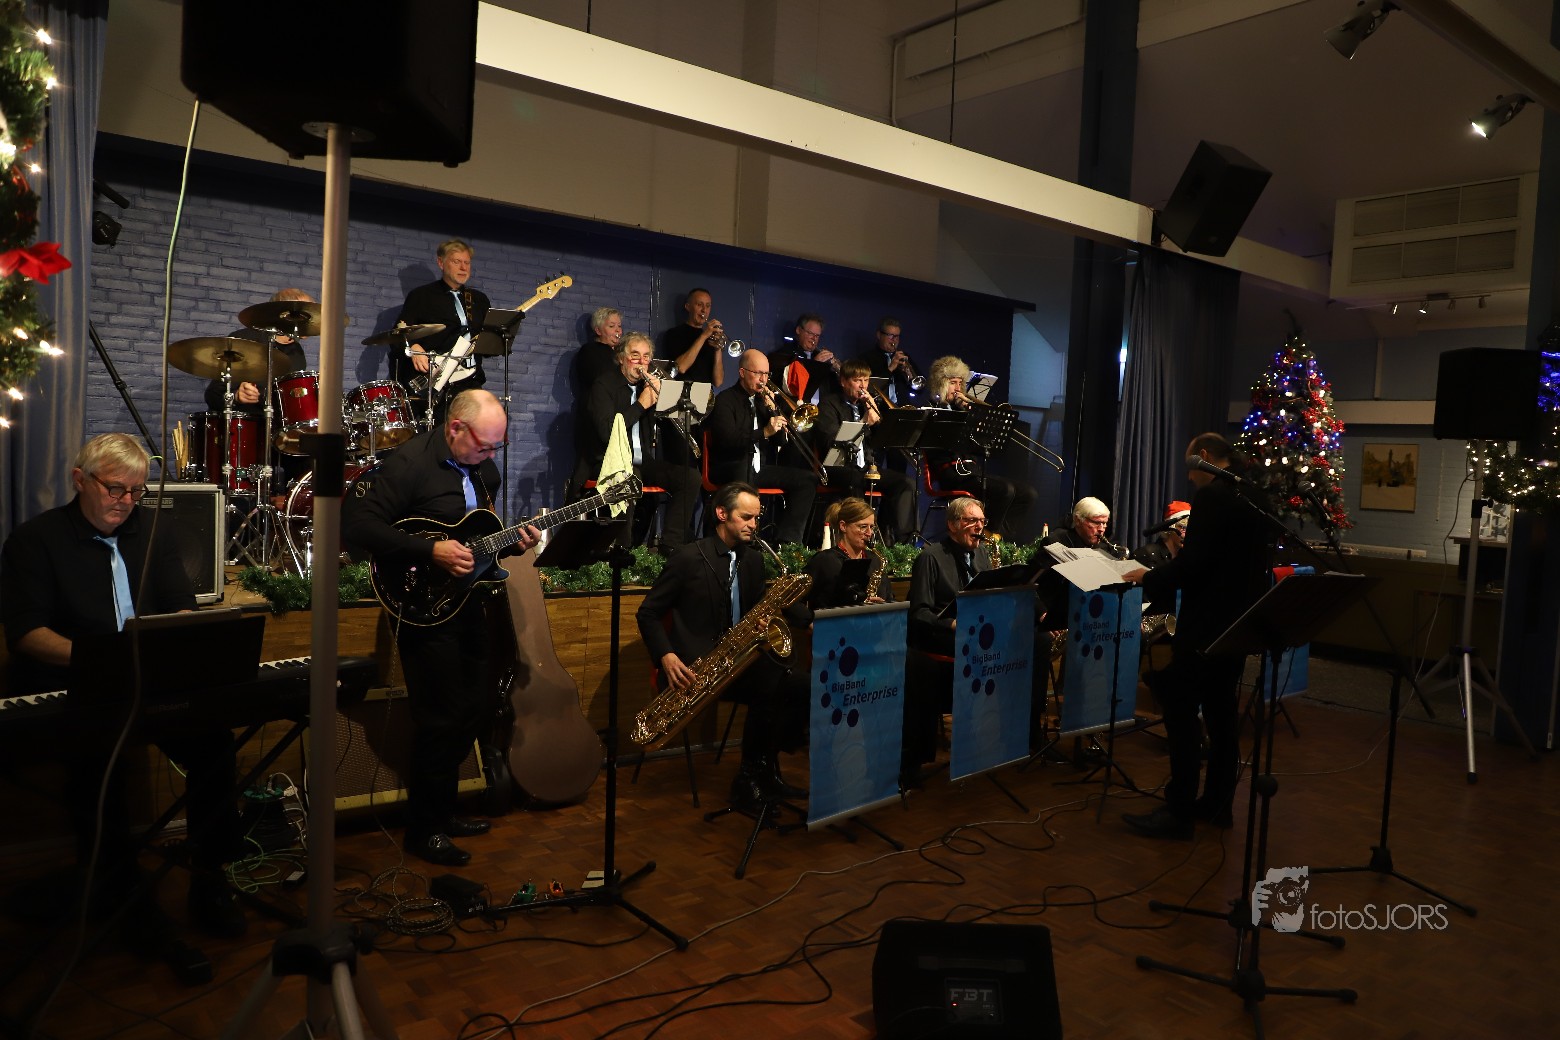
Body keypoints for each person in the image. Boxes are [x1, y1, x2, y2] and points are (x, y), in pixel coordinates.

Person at [0, 434, 247, 939]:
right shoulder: (35, 540)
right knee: (97, 764)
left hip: (148, 682)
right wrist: (99, 660)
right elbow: (26, 634)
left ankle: (210, 875)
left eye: (136, 491)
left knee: (215, 745)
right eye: (115, 488)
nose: (126, 501)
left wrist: (181, 634)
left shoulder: (154, 530)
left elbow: (181, 605)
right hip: (74, 685)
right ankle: (116, 886)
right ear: (79, 480)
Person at [343, 389, 540, 866]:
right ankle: (423, 830)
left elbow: (476, 540)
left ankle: (443, 810)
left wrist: (512, 544)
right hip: (419, 602)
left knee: (477, 706)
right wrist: (430, 550)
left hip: (466, 599)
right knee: (440, 716)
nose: (490, 455)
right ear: (455, 428)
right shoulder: (409, 464)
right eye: (485, 446)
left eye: (496, 446)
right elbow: (358, 526)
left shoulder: (483, 469)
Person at [1120, 433, 1271, 839]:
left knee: (1180, 709)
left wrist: (1149, 577)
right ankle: (1218, 805)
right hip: (1238, 626)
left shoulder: (1213, 496)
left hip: (1204, 625)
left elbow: (1194, 565)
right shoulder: (1255, 495)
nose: (1190, 478)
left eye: (1191, 469)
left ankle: (1179, 810)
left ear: (1204, 457)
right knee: (1222, 716)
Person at [635, 482, 802, 808]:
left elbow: (755, 609)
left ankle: (765, 772)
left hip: (737, 663)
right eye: (746, 517)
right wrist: (666, 656)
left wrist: (762, 623)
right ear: (722, 514)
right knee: (772, 688)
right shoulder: (687, 558)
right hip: (695, 670)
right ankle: (750, 779)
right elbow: (648, 613)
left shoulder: (753, 561)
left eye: (756, 518)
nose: (753, 525)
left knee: (796, 682)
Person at [582, 332, 700, 554]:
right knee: (629, 477)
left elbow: (672, 430)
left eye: (646, 357)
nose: (641, 362)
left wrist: (667, 401)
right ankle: (622, 551)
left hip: (642, 460)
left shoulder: (646, 388)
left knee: (690, 477)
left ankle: (670, 546)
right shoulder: (604, 385)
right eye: (635, 355)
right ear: (621, 358)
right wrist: (641, 405)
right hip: (608, 462)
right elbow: (607, 432)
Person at [903, 496, 991, 783]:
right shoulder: (930, 557)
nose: (979, 527)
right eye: (971, 521)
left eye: (981, 521)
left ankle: (990, 740)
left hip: (973, 634)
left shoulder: (982, 554)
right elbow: (919, 612)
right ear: (952, 525)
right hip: (938, 636)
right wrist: (953, 624)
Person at [200, 287, 315, 491]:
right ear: (285, 314)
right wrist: (236, 396)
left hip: (279, 432)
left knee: (315, 458)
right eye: (305, 314)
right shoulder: (243, 340)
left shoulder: (296, 352)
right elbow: (212, 395)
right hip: (247, 433)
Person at [705, 348, 818, 546]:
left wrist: (773, 410)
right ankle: (742, 542)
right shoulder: (725, 400)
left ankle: (787, 543)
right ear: (742, 373)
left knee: (807, 480)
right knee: (743, 468)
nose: (763, 379)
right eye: (758, 373)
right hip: (729, 465)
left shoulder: (763, 402)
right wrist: (764, 432)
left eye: (766, 374)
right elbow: (728, 442)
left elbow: (780, 442)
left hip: (758, 468)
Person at [922, 355, 1039, 541]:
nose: (958, 388)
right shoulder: (932, 410)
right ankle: (985, 537)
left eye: (960, 383)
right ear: (941, 384)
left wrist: (977, 420)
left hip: (971, 471)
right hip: (950, 473)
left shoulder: (963, 410)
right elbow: (937, 448)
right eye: (953, 383)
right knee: (1005, 490)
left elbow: (979, 446)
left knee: (1028, 494)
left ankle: (998, 539)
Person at [810, 359, 915, 544]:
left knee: (906, 483)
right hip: (838, 467)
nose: (863, 386)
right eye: (857, 380)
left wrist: (879, 422)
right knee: (855, 477)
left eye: (866, 380)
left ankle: (902, 542)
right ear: (843, 381)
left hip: (866, 467)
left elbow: (882, 443)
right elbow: (831, 443)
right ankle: (861, 539)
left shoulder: (866, 405)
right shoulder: (828, 404)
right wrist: (864, 423)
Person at [392, 239, 491, 422]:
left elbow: (489, 349)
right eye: (456, 261)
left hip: (471, 380)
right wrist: (413, 347)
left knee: (473, 432)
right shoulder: (421, 296)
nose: (463, 268)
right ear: (441, 263)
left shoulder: (479, 300)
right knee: (441, 433)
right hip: (438, 382)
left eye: (467, 262)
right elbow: (398, 334)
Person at [789, 497, 895, 623]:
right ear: (843, 526)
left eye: (871, 527)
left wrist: (883, 606)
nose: (869, 533)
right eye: (863, 527)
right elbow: (791, 602)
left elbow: (890, 598)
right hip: (834, 632)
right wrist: (812, 624)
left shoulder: (876, 560)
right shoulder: (825, 561)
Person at [570, 306, 625, 493]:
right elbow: (600, 380)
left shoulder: (619, 355)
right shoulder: (590, 351)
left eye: (619, 326)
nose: (618, 331)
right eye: (612, 326)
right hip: (594, 422)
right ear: (598, 330)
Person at [1132, 500, 1190, 618]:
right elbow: (1133, 596)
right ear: (1170, 528)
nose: (1186, 534)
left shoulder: (1185, 559)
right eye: (1183, 527)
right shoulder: (1145, 554)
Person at [657, 287, 725, 387]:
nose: (704, 310)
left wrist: (718, 350)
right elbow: (681, 368)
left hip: (705, 394)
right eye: (699, 305)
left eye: (708, 306)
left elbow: (718, 382)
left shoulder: (711, 339)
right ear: (688, 307)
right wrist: (704, 336)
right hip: (681, 392)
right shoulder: (674, 334)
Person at [769, 313, 839, 407]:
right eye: (810, 333)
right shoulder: (783, 354)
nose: (814, 339)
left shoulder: (819, 355)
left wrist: (836, 369)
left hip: (822, 410)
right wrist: (815, 365)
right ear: (798, 330)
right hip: (796, 407)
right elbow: (790, 382)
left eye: (817, 335)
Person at [856, 316, 916, 406]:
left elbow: (919, 390)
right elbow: (870, 388)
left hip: (903, 407)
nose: (894, 340)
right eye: (890, 336)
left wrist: (910, 376)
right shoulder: (866, 358)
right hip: (879, 407)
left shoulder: (904, 357)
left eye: (897, 336)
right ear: (879, 335)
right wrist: (890, 368)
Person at [1044, 497, 1128, 558]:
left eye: (1104, 523)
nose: (1101, 529)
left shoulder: (1105, 548)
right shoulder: (1055, 542)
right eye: (1096, 523)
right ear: (1078, 520)